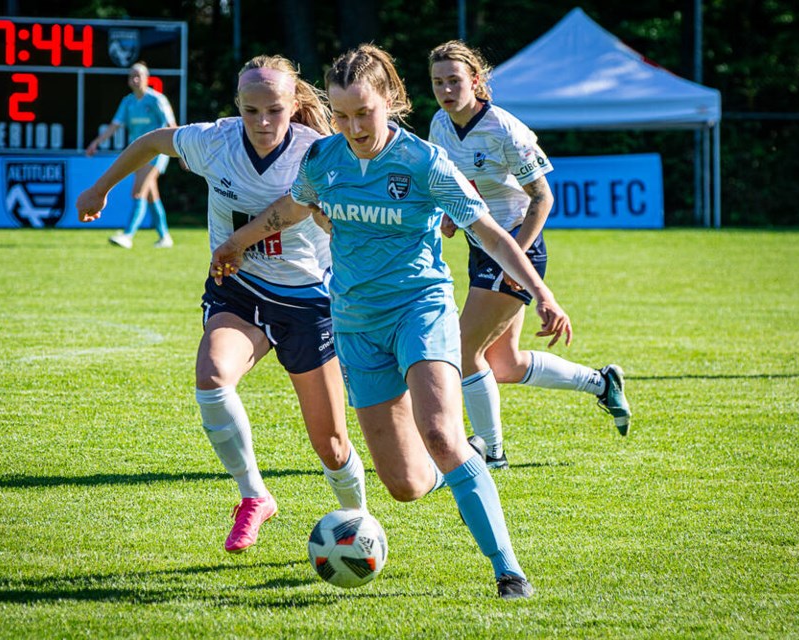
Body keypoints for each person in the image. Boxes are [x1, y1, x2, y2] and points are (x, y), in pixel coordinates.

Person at [211, 44, 572, 600]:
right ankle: (463, 457)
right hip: (356, 324)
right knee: (404, 485)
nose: (354, 126)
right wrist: (237, 240)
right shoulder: (323, 161)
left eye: (365, 113)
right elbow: (293, 208)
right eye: (342, 115)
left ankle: (508, 569)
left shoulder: (424, 161)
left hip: (419, 309)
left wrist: (541, 291)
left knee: (440, 434)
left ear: (392, 102)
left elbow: (490, 231)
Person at [76, 55, 367, 554]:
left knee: (333, 445)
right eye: (250, 111)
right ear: (238, 107)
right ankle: (254, 494)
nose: (262, 123)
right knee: (211, 378)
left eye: (274, 110)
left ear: (294, 104)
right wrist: (101, 188)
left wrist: (329, 220)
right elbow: (151, 141)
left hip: (309, 303)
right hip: (241, 290)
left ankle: (358, 524)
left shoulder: (319, 152)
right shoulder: (215, 140)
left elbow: (333, 223)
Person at [427, 41, 632, 469]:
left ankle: (493, 454)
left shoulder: (505, 130)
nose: (446, 90)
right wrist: (450, 215)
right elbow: (452, 185)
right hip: (480, 246)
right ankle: (602, 383)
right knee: (504, 363)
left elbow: (542, 198)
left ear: (476, 81)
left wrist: (511, 257)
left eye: (455, 81)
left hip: (518, 246)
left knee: (464, 350)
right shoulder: (440, 125)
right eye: (438, 82)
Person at [85, 62, 177, 249]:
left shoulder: (157, 99)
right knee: (151, 195)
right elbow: (114, 126)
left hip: (158, 152)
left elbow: (172, 125)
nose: (134, 79)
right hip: (139, 153)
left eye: (138, 75)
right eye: (131, 76)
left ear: (146, 79)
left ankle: (128, 235)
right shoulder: (127, 102)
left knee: (138, 191)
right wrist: (96, 142)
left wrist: (182, 153)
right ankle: (164, 236)